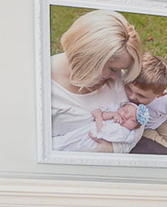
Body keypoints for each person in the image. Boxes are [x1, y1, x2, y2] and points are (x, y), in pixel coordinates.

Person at [46, 11, 148, 155]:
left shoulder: (116, 79)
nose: (116, 77)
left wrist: (114, 149)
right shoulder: (44, 86)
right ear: (90, 58)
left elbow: (138, 121)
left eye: (120, 70)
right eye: (112, 69)